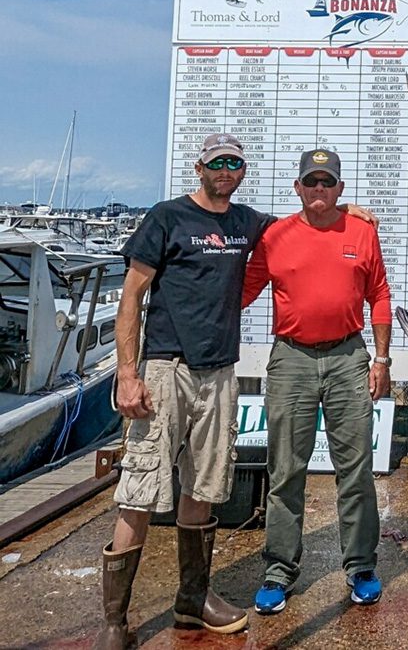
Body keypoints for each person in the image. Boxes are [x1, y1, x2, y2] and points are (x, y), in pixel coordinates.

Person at [94, 133, 270, 648]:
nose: (225, 170)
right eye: (217, 162)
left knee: (205, 486)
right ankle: (114, 620)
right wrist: (128, 374)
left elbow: (304, 225)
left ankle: (193, 601)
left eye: (234, 163)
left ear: (242, 171)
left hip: (219, 375)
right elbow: (131, 298)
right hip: (165, 370)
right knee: (140, 489)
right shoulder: (167, 217)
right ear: (199, 167)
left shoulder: (245, 223)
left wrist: (348, 208)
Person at [243, 148, 392, 615]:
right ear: (298, 188)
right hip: (291, 359)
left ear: (340, 189)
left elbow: (380, 295)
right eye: (312, 182)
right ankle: (279, 571)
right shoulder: (275, 235)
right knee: (285, 470)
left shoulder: (363, 231)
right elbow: (240, 292)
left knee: (357, 470)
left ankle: (361, 566)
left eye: (328, 182)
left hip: (349, 356)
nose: (320, 189)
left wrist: (382, 360)